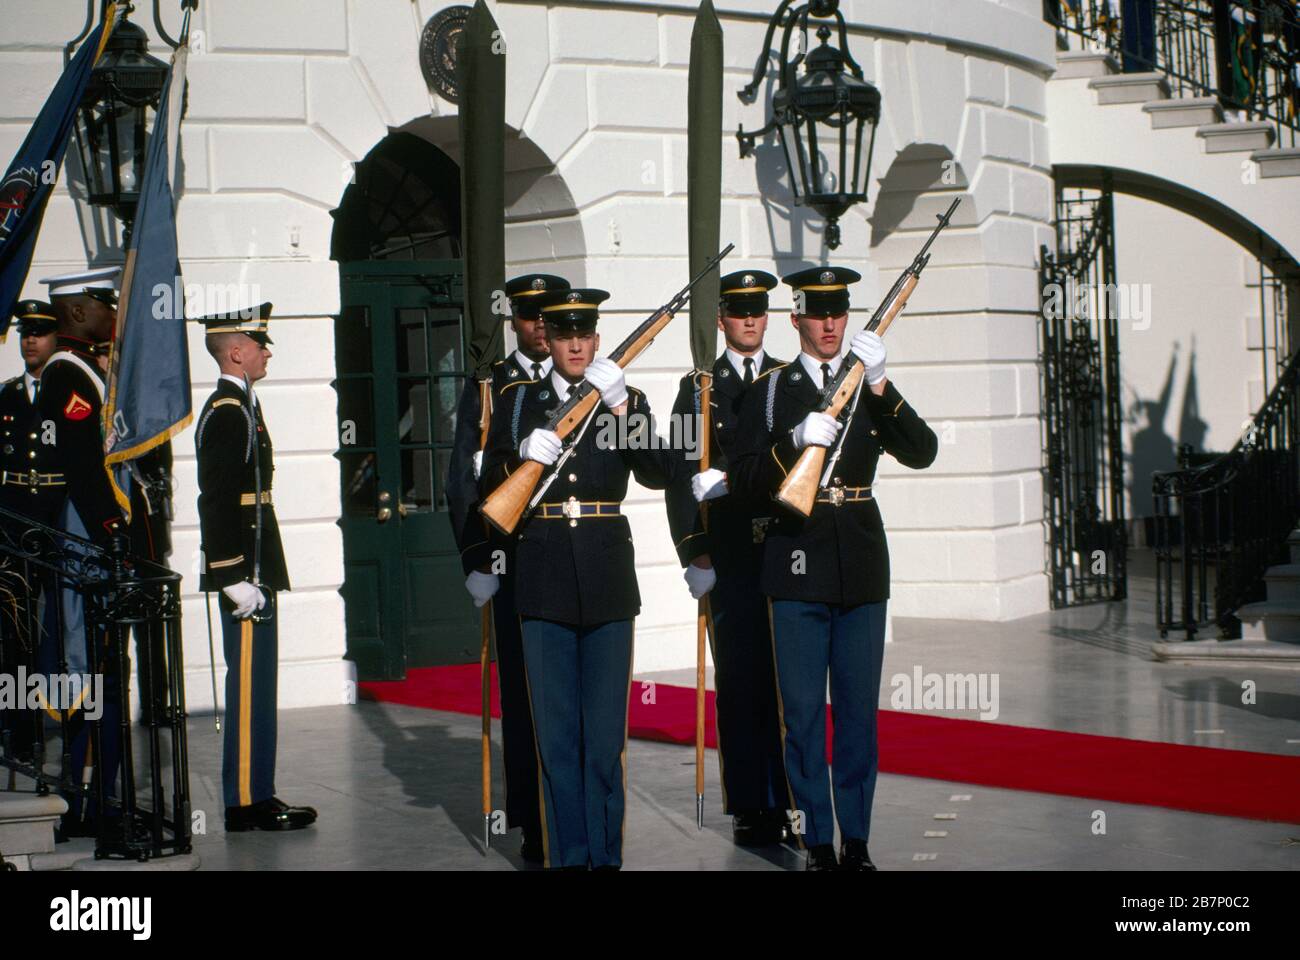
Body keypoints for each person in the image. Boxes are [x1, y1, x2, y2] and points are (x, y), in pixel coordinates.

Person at [714, 266, 938, 870]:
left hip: (861, 564)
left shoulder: (866, 382)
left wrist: (885, 383)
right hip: (793, 565)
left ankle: (857, 841)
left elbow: (923, 451)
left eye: (839, 312)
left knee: (859, 717)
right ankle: (817, 842)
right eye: (818, 314)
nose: (831, 324)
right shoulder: (769, 391)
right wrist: (792, 441)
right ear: (796, 321)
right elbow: (743, 483)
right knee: (805, 717)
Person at [478, 287, 677, 869]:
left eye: (585, 336)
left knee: (603, 742)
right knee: (556, 739)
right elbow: (489, 483)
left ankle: (605, 857)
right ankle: (567, 857)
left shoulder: (624, 398)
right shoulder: (519, 402)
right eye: (564, 337)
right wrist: (519, 457)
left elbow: (661, 470)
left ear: (596, 339)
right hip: (540, 576)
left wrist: (623, 411)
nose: (575, 346)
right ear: (549, 338)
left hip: (607, 576)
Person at [446, 273, 569, 862]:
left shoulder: (578, 381)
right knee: (523, 698)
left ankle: (572, 814)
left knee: (567, 697)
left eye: (551, 317)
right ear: (515, 320)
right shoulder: (492, 385)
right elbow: (462, 477)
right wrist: (477, 558)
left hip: (571, 559)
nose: (542, 328)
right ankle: (534, 822)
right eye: (530, 317)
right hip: (513, 561)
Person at [664, 270, 790, 846]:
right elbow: (677, 476)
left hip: (786, 549)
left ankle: (791, 802)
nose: (748, 320)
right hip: (731, 555)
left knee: (791, 683)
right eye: (738, 310)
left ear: (767, 317)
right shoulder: (698, 389)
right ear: (721, 320)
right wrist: (695, 551)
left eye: (757, 310)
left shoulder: (788, 381)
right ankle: (749, 806)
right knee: (739, 681)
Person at [193, 302, 316, 832]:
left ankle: (257, 791)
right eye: (259, 343)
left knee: (259, 682)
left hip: (256, 559)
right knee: (246, 684)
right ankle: (245, 800)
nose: (267, 351)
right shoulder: (228, 411)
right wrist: (231, 576)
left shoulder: (243, 404)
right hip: (243, 565)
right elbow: (215, 500)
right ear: (236, 351)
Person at [36, 267, 129, 837]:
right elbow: (83, 469)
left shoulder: (84, 371)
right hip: (82, 539)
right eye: (103, 302)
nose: (111, 311)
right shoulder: (68, 376)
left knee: (100, 668)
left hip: (86, 537)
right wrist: (111, 528)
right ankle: (84, 795)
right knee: (87, 667)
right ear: (76, 311)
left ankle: (98, 791)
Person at [0, 300, 62, 763]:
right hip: (16, 519)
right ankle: (22, 732)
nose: (30, 341)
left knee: (62, 625)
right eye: (25, 332)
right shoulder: (5, 396)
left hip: (60, 521)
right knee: (17, 630)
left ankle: (67, 716)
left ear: (55, 337)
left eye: (39, 332)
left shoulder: (67, 392)